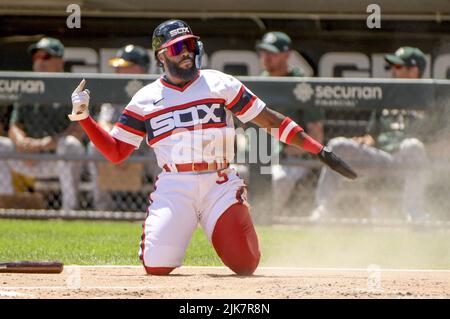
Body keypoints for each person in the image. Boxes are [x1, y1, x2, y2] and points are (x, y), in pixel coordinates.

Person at [69, 19, 356, 276]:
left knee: (246, 265)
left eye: (190, 45)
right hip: (175, 184)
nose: (186, 52)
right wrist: (84, 118)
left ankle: (226, 215)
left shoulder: (219, 82)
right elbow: (116, 152)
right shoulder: (145, 99)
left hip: (219, 181)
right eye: (178, 46)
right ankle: (183, 224)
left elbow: (269, 120)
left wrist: (319, 150)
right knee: (157, 266)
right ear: (162, 55)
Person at [312, 46, 429, 222]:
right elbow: (372, 135)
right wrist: (364, 141)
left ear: (414, 71)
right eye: (392, 67)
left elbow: (442, 139)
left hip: (410, 160)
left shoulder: (431, 97)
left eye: (398, 67)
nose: (393, 71)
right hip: (382, 158)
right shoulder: (387, 95)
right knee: (337, 145)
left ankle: (414, 213)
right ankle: (323, 209)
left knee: (412, 145)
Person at [0, 37, 85, 210]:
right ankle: (6, 205)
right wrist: (23, 143)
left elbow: (79, 128)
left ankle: (70, 211)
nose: (39, 62)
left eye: (45, 57)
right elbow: (15, 126)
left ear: (59, 61)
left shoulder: (72, 87)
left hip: (57, 157)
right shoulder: (28, 86)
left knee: (70, 145)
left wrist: (45, 144)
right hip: (28, 157)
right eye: (36, 57)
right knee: (1, 145)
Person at [256, 31, 325, 213]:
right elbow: (242, 126)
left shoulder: (301, 85)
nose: (266, 57)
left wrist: (298, 148)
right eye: (264, 52)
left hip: (289, 155)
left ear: (287, 55)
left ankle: (267, 219)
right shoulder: (257, 82)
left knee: (279, 178)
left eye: (272, 53)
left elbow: (316, 130)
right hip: (256, 153)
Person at [88, 45, 160, 210]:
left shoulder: (155, 91)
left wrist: (128, 143)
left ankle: (157, 206)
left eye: (124, 66)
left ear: (139, 69)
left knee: (160, 147)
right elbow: (104, 122)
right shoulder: (115, 90)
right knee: (94, 146)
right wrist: (116, 147)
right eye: (118, 67)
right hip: (121, 143)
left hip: (145, 147)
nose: (117, 70)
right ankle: (102, 207)